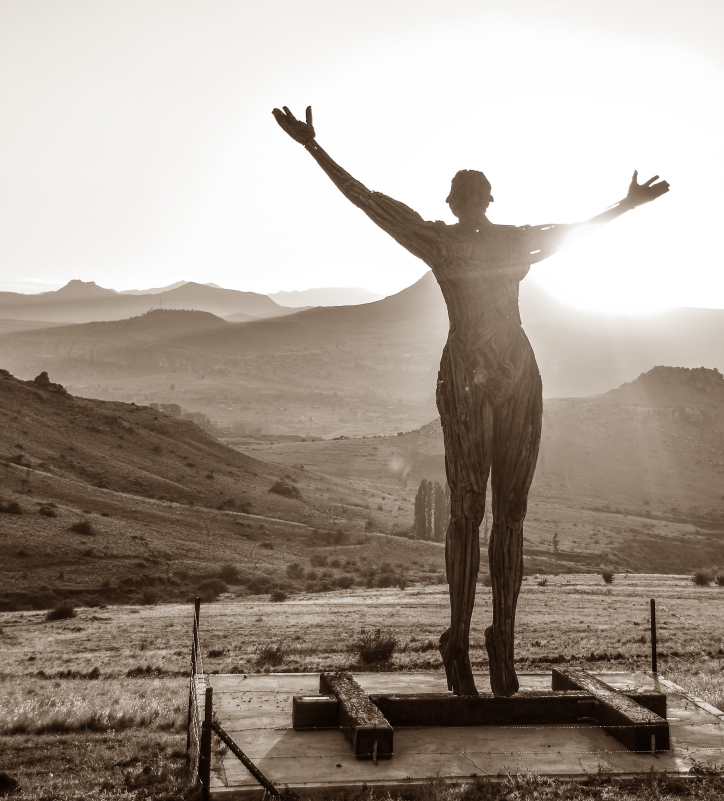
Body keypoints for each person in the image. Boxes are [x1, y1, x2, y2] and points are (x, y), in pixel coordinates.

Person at [273, 106, 669, 695]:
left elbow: (570, 232)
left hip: (516, 377)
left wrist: (624, 207)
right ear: (460, 203)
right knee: (468, 510)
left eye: (477, 196)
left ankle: (500, 643)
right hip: (467, 380)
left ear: (485, 200)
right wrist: (314, 148)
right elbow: (370, 201)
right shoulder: (442, 242)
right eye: (468, 197)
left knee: (510, 514)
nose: (473, 205)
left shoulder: (509, 242)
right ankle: (457, 640)